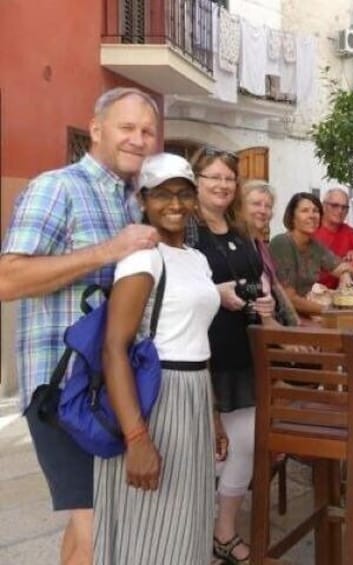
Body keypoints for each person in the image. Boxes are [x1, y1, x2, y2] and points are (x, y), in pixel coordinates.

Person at [0, 87, 159, 565]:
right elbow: (8, 278)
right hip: (61, 390)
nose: (138, 139)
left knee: (87, 518)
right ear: (96, 130)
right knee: (97, 526)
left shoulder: (131, 202)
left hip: (107, 390)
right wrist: (108, 250)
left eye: (147, 131)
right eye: (126, 127)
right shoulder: (57, 187)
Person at [94, 153, 224, 563]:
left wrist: (213, 411)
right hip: (156, 398)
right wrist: (137, 439)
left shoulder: (197, 258)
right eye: (162, 194)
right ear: (143, 200)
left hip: (195, 392)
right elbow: (114, 347)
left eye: (184, 193)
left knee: (187, 522)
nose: (175, 204)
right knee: (152, 530)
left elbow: (198, 339)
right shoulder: (142, 256)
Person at [191, 148, 277, 564]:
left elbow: (257, 278)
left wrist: (264, 300)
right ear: (197, 181)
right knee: (203, 449)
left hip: (243, 349)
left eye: (228, 178)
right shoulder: (187, 231)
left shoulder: (241, 229)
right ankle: (186, 535)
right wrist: (215, 294)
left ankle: (223, 531)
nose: (223, 185)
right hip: (201, 355)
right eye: (213, 177)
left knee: (245, 443)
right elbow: (172, 285)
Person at [269, 192, 353, 319]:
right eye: (305, 211)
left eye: (315, 211)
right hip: (285, 319)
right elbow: (289, 299)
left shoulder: (315, 246)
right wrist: (331, 311)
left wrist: (345, 275)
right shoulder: (282, 243)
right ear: (292, 217)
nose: (312, 216)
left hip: (309, 314)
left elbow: (351, 270)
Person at [241, 180, 298, 327]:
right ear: (240, 207)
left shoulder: (259, 245)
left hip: (273, 325)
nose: (263, 210)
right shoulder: (238, 244)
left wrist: (295, 325)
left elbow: (276, 287)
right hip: (255, 330)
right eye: (256, 204)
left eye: (268, 206)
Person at [314, 187, 353, 288]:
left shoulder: (347, 231)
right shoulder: (311, 229)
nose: (340, 211)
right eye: (334, 205)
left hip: (339, 292)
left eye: (344, 207)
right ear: (323, 206)